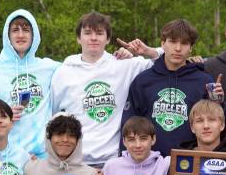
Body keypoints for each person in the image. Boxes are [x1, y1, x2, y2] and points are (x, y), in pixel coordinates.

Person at [49, 12, 159, 167]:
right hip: (75, 162)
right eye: (87, 33)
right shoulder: (63, 72)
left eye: (99, 33)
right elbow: (53, 114)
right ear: (78, 38)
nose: (93, 38)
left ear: (107, 39)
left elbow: (166, 61)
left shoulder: (123, 65)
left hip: (114, 163)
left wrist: (148, 51)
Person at [0, 9, 60, 159]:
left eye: (26, 30)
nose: (21, 35)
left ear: (34, 34)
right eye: (15, 30)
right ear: (7, 35)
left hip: (41, 159)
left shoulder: (49, 69)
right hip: (3, 159)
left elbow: (82, 69)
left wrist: (112, 58)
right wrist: (0, 114)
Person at [122, 19, 216, 158]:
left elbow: (216, 123)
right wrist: (124, 160)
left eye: (184, 43)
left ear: (191, 48)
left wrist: (219, 101)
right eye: (172, 41)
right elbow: (129, 125)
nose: (178, 48)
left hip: (189, 162)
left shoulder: (203, 81)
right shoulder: (143, 81)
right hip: (150, 163)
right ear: (162, 44)